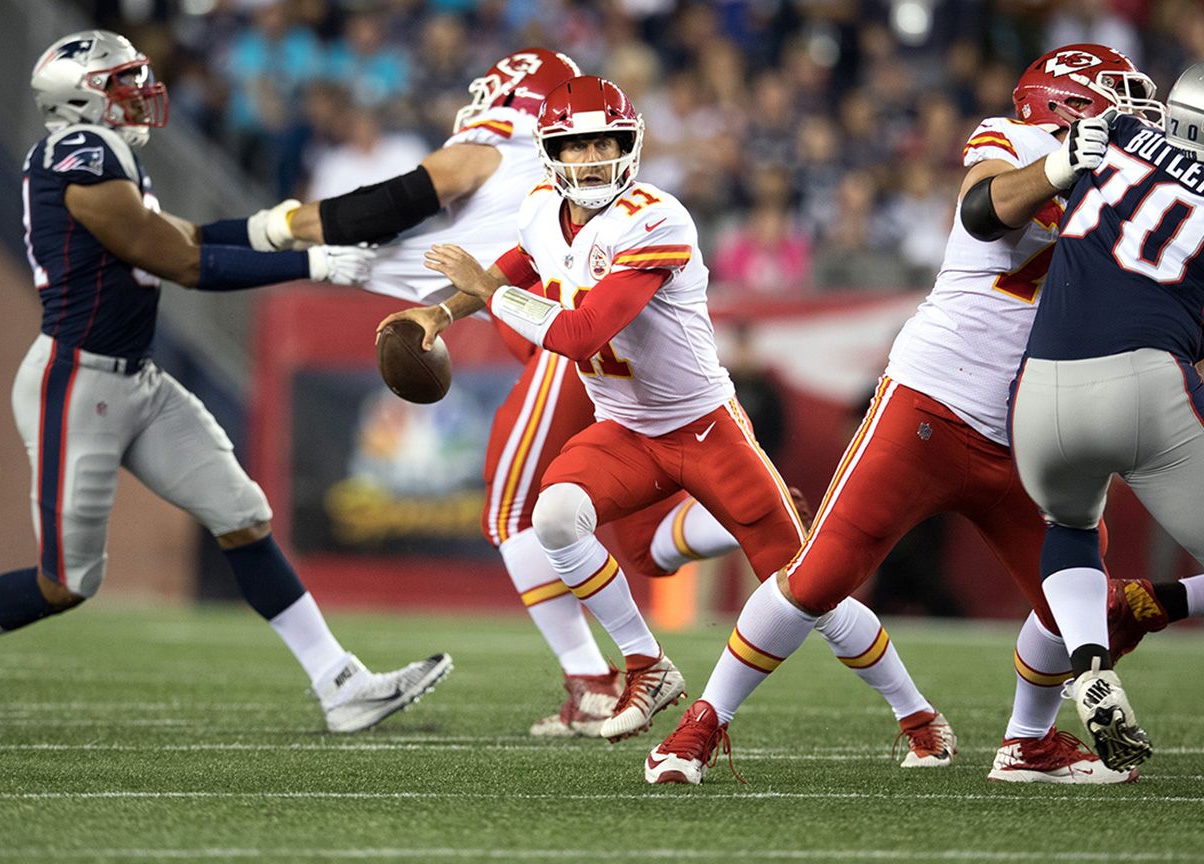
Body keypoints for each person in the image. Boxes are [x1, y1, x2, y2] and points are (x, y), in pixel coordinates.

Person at [260, 55, 953, 756]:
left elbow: (585, 331)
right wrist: (436, 318)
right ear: (550, 153)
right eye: (575, 145)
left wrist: (487, 293)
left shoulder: (655, 219)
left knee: (813, 595)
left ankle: (919, 718)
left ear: (630, 145)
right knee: (555, 517)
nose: (592, 160)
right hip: (626, 430)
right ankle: (647, 666)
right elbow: (503, 275)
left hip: (704, 429)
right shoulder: (539, 211)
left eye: (605, 143)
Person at [643, 44, 1197, 784]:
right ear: (1065, 105)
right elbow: (982, 209)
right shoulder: (1021, 139)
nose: (1136, 117)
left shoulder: (1146, 181)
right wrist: (1063, 165)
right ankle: (699, 727)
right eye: (1118, 99)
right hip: (935, 398)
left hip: (1034, 422)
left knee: (1073, 607)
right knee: (818, 576)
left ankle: (1026, 743)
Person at [0, 30, 452, 732]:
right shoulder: (72, 156)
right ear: (81, 99)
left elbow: (187, 234)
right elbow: (178, 260)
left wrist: (274, 229)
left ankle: (339, 682)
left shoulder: (111, 158)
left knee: (243, 514)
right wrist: (312, 265)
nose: (141, 94)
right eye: (122, 83)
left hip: (137, 380)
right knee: (67, 582)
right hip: (76, 385)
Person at [1011, 62, 1204, 772]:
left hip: (1037, 396)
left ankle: (1090, 659)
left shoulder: (1114, 132)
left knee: (1070, 525)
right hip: (1146, 383)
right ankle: (1159, 602)